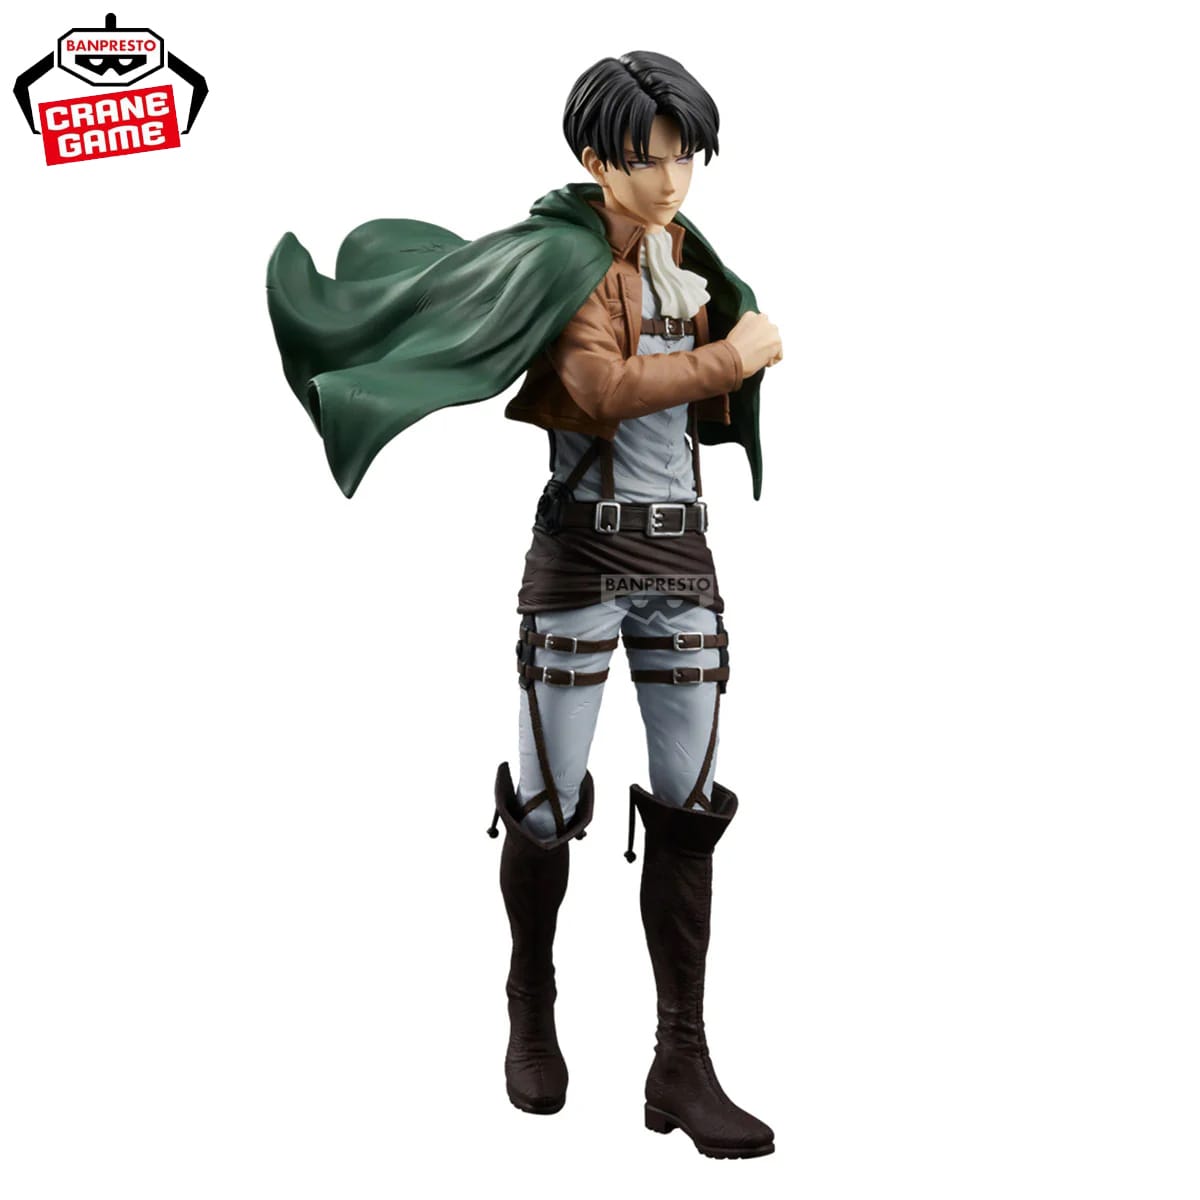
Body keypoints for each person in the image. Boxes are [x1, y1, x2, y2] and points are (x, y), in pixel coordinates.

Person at [265, 50, 782, 1160]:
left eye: (686, 156)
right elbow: (598, 390)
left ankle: (681, 1058)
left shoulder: (690, 257)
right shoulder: (566, 261)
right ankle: (531, 1003)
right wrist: (735, 358)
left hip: (681, 557)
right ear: (597, 158)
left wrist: (731, 348)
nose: (673, 178)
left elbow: (692, 370)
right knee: (546, 802)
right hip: (583, 559)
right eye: (650, 159)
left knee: (690, 806)